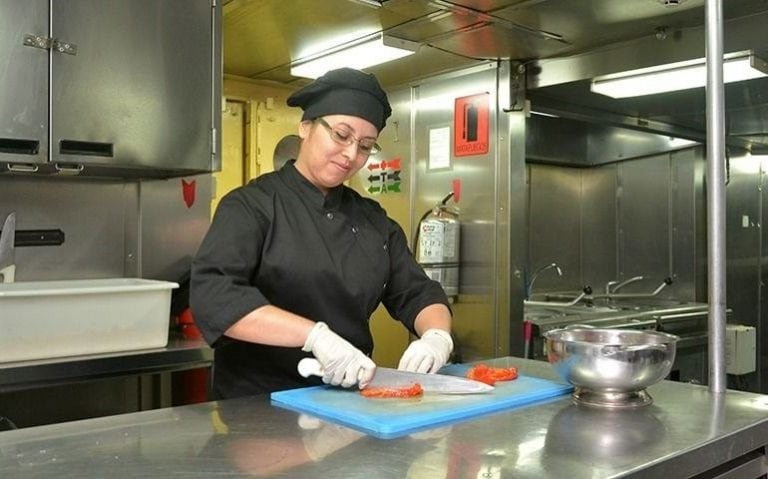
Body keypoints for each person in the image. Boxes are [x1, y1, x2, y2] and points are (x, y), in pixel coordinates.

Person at [190, 67, 453, 399]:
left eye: (365, 146)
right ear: (306, 127)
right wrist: (314, 336)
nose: (351, 155)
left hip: (347, 404)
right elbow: (214, 295)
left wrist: (437, 337)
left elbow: (418, 293)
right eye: (341, 135)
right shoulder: (251, 206)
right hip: (259, 409)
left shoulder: (373, 221)